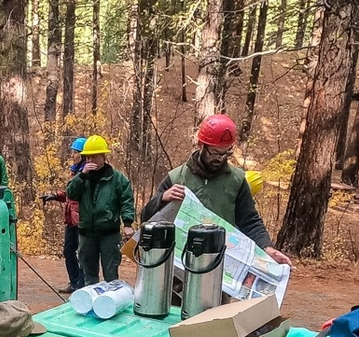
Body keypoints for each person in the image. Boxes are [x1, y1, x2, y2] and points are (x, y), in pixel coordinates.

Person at [142, 114, 291, 265]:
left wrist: (267, 248)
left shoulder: (237, 180)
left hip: (222, 263)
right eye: (215, 153)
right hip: (182, 263)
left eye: (226, 152)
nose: (220, 158)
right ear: (201, 145)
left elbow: (250, 221)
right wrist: (162, 199)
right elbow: (147, 218)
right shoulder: (176, 178)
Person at [66, 135, 135, 285]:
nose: (90, 161)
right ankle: (91, 305)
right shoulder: (81, 178)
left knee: (111, 275)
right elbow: (71, 193)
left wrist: (128, 223)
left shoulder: (117, 179)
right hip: (86, 234)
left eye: (94, 157)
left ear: (103, 156)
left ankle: (111, 304)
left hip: (109, 234)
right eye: (87, 158)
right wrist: (82, 175)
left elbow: (127, 201)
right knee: (89, 276)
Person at [42, 137, 88, 293]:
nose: (72, 155)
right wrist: (54, 195)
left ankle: (82, 284)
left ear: (83, 154)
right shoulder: (75, 171)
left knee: (82, 253)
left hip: (82, 220)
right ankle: (75, 282)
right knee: (69, 251)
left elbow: (78, 195)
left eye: (75, 152)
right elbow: (70, 193)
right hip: (71, 220)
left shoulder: (87, 173)